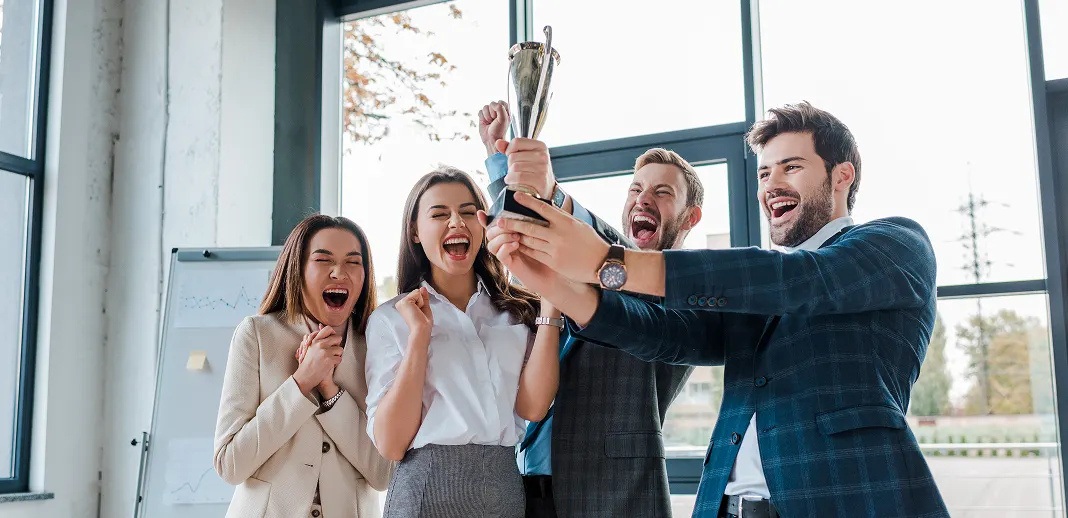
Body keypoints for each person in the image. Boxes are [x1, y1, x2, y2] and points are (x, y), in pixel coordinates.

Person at [484, 102, 950, 517]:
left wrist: (609, 263)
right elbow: (665, 332)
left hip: (847, 500)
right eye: (764, 174)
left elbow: (799, 281)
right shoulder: (755, 297)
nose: (772, 185)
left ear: (842, 176)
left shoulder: (896, 244)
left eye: (791, 167)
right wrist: (551, 282)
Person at [478, 101, 699, 518]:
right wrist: (500, 161)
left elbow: (620, 257)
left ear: (690, 218)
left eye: (662, 192)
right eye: (635, 189)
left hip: (608, 497)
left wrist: (555, 196)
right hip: (524, 490)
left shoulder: (684, 292)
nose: (643, 200)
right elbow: (535, 239)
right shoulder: (592, 276)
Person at [364, 166, 562, 518]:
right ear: (414, 232)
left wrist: (550, 302)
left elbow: (533, 409)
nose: (456, 222)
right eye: (440, 214)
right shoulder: (391, 319)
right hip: (425, 492)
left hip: (503, 490)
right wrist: (419, 338)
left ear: (484, 225)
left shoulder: (517, 313)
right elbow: (391, 445)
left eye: (468, 212)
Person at [214, 214, 394, 518]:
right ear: (297, 269)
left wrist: (331, 391)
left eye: (353, 262)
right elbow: (230, 464)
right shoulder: (256, 335)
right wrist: (302, 382)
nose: (339, 272)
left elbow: (383, 474)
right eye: (323, 260)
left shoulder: (379, 345)